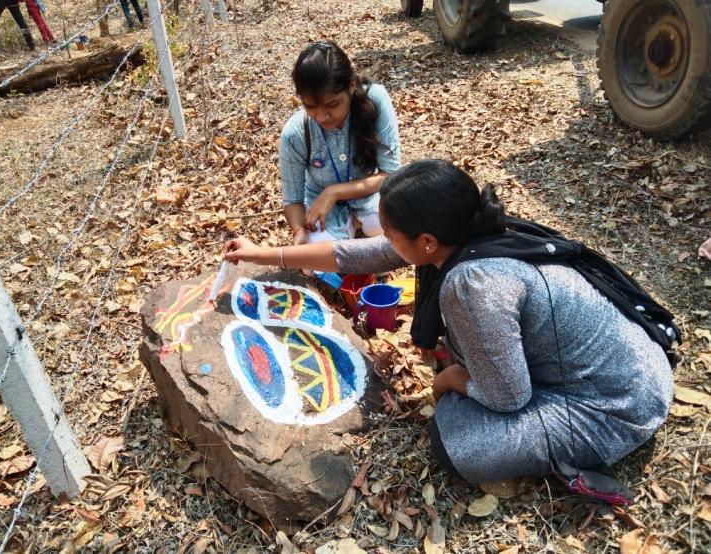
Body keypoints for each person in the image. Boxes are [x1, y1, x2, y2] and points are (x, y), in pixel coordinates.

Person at [223, 159, 674, 485]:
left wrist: (451, 381)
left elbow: (509, 397)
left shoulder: (472, 284)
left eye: (390, 231)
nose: (383, 240)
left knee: (454, 442)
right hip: (630, 363)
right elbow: (352, 253)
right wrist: (263, 254)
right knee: (464, 370)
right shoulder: (474, 230)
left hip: (617, 406)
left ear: (425, 240)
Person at [279, 41, 400, 246]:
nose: (321, 117)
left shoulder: (375, 100)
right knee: (312, 259)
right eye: (310, 106)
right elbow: (293, 200)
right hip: (321, 206)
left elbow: (390, 175)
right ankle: (350, 226)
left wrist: (334, 192)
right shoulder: (295, 134)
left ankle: (358, 224)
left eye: (332, 105)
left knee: (391, 223)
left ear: (351, 86)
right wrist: (299, 231)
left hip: (368, 194)